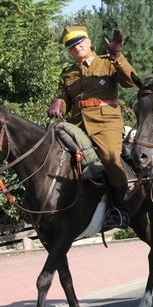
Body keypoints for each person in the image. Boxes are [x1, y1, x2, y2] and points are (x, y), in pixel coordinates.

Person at [47, 26, 137, 229]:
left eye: (79, 43)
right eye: (71, 46)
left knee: (109, 157)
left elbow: (131, 81)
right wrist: (58, 101)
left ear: (89, 43)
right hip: (77, 124)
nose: (76, 48)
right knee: (56, 156)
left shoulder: (107, 62)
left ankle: (121, 210)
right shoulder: (67, 73)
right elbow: (64, 97)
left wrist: (117, 56)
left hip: (107, 123)